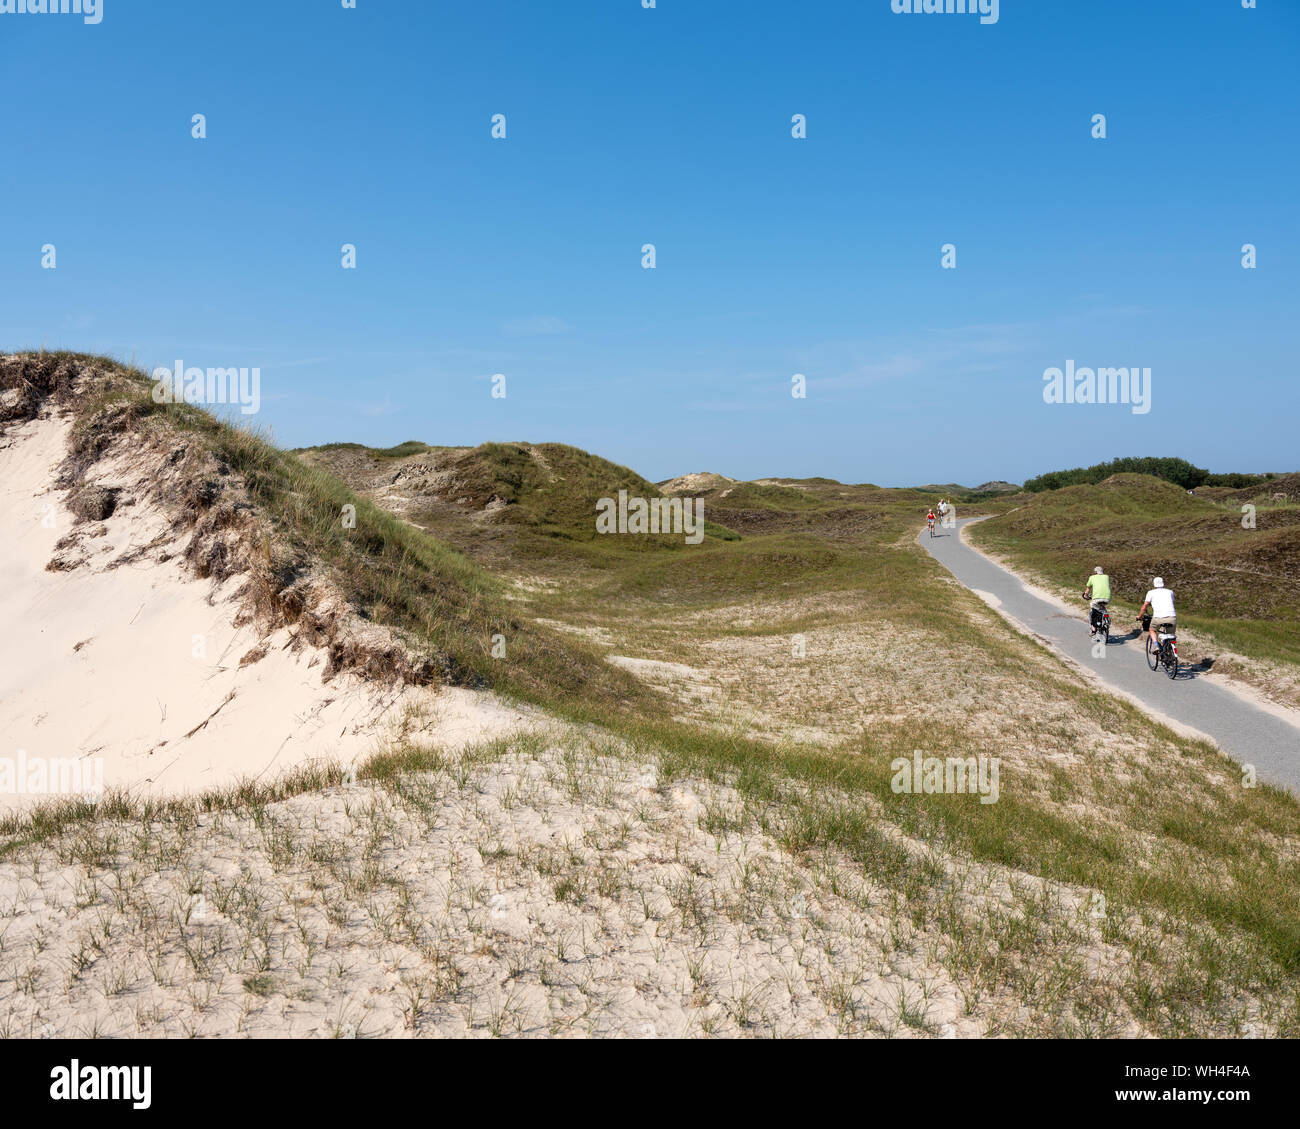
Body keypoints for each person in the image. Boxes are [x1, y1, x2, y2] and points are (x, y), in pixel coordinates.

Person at [1138, 577, 1176, 649]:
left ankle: (1156, 645)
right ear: (1163, 583)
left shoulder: (1151, 593)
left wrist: (1139, 616)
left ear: (1154, 584)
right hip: (1172, 616)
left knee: (1152, 630)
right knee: (1171, 636)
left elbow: (1145, 606)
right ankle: (1171, 651)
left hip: (1158, 617)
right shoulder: (1170, 592)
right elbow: (1172, 602)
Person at [1083, 566, 1111, 636]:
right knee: (1102, 608)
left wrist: (1086, 595)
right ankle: (1106, 620)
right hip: (1107, 598)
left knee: (1093, 610)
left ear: (1095, 572)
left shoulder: (1092, 577)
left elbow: (1088, 590)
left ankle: (1093, 630)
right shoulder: (1106, 577)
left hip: (1097, 598)